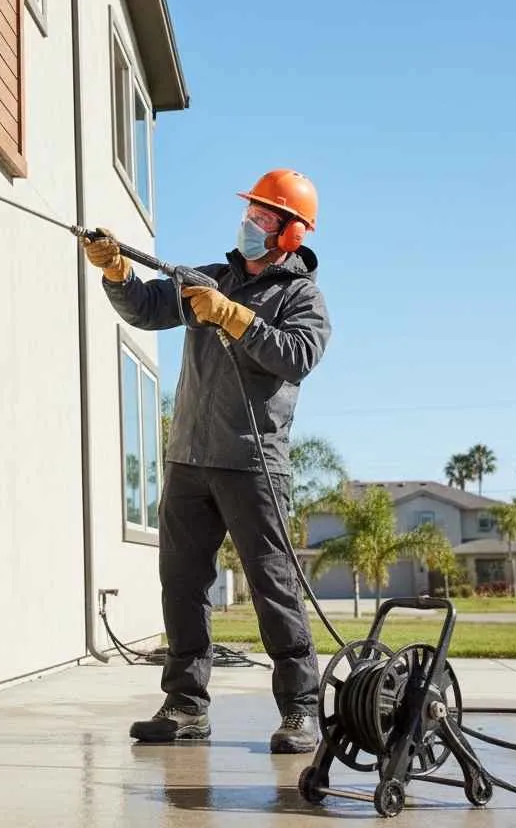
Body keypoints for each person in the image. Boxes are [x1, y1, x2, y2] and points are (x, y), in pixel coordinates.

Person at [82, 169, 331, 753]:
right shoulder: (209, 280)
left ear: (291, 234)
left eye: (265, 216)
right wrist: (117, 269)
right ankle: (186, 706)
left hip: (253, 465)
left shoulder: (302, 297)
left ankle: (300, 710)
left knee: (274, 590)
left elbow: (297, 356)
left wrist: (233, 316)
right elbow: (146, 307)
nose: (250, 223)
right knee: (182, 585)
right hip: (189, 459)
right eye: (251, 212)